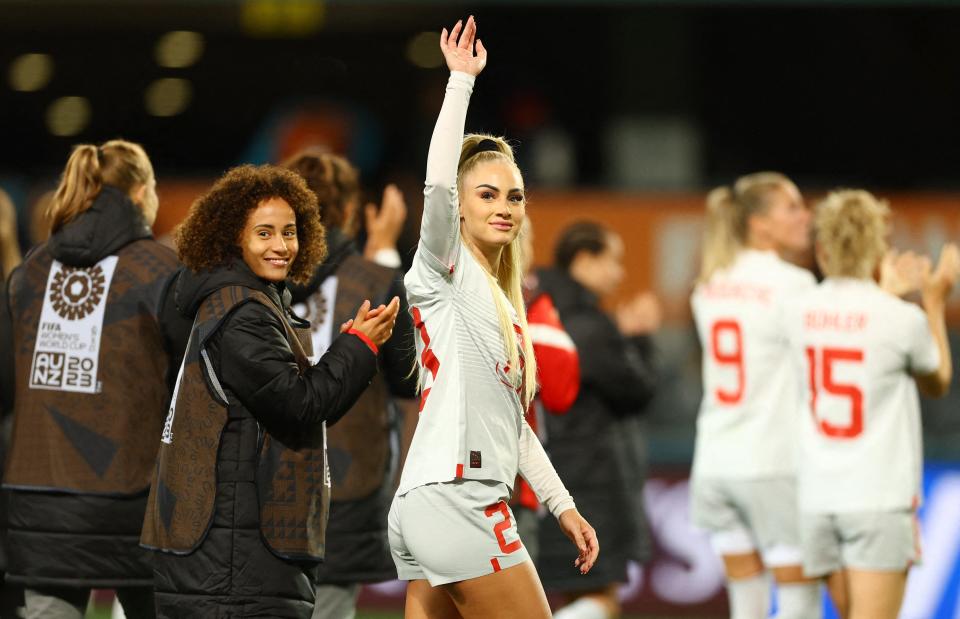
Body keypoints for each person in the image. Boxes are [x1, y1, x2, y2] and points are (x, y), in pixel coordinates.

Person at [387, 17, 598, 619]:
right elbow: (435, 189)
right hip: (461, 497)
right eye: (486, 193)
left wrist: (562, 506)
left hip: (433, 498)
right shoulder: (444, 268)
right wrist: (460, 84)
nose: (504, 207)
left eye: (514, 196)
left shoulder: (500, 299)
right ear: (459, 201)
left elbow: (514, 424)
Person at [140, 164, 400, 619]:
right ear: (231, 237)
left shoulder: (234, 299)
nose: (281, 246)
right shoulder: (244, 313)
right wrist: (359, 347)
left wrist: (347, 352)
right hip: (235, 557)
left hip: (226, 549)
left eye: (289, 232)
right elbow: (300, 405)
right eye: (264, 233)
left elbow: (284, 401)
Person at [0, 139, 179, 618]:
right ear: (141, 193)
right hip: (134, 502)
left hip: (37, 504)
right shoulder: (162, 270)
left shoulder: (29, 271)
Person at [787, 190, 958, 619]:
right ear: (878, 245)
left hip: (816, 494)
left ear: (822, 247)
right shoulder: (900, 318)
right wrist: (934, 303)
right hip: (878, 497)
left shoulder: (796, 309)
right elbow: (937, 380)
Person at [282, 148, 418, 619]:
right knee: (332, 604)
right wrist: (382, 253)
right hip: (349, 476)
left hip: (266, 473)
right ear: (349, 210)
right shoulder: (377, 280)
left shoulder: (258, 276)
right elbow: (407, 382)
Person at [689, 172, 821, 619]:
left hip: (715, 462)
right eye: (793, 207)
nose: (807, 216)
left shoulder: (708, 284)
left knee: (746, 606)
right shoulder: (795, 285)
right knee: (799, 603)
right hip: (773, 461)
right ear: (760, 224)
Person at [536, 220, 657, 619]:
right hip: (590, 478)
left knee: (574, 591)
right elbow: (635, 392)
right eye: (613, 260)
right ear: (584, 260)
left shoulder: (534, 308)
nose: (620, 273)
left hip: (546, 478)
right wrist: (637, 339)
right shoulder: (588, 325)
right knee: (602, 599)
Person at [512, 218, 581, 565]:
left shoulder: (440, 291)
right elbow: (559, 392)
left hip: (437, 476)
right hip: (507, 483)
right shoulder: (530, 305)